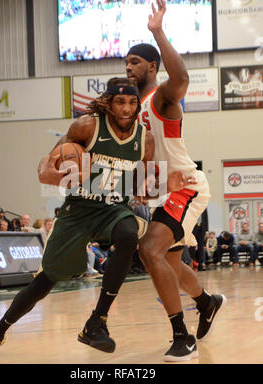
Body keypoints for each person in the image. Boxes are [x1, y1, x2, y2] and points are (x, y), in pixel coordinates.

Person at [0, 77, 193, 359]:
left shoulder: (144, 139)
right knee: (45, 280)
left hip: (113, 209)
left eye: (132, 102)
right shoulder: (87, 126)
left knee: (128, 232)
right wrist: (48, 175)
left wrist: (166, 184)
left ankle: (97, 322)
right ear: (108, 102)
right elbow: (49, 162)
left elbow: (139, 184)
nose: (127, 108)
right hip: (79, 212)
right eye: (120, 101)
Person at [125, 0, 226, 361]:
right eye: (126, 63)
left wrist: (157, 32)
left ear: (152, 66)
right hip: (163, 193)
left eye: (135, 61)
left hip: (186, 186)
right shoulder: (134, 111)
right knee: (167, 262)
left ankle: (182, 337)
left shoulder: (162, 97)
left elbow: (181, 79)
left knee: (149, 250)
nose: (129, 67)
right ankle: (206, 302)